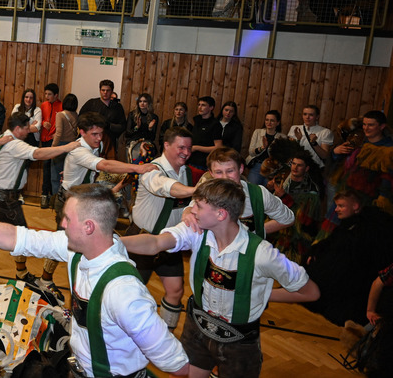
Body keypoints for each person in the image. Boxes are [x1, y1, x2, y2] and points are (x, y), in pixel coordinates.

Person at [0, 184, 190, 378]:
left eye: (67, 219)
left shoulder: (124, 293)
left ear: (88, 227)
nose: (62, 224)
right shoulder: (79, 250)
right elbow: (16, 237)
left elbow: (176, 364)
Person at [123, 179, 318, 378]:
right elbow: (155, 243)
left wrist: (265, 294)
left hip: (239, 342)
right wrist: (113, 241)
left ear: (220, 214)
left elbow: (310, 292)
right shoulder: (197, 233)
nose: (192, 211)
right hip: (197, 326)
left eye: (199, 206)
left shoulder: (263, 254)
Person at [39, 112, 157, 303]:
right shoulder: (78, 150)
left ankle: (80, 285)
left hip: (83, 201)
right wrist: (137, 167)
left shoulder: (96, 145)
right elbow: (105, 165)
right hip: (68, 203)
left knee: (81, 246)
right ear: (82, 132)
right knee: (65, 245)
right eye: (94, 134)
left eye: (101, 134)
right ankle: (47, 280)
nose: (99, 138)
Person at [0, 113, 81, 280]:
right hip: (6, 199)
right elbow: (38, 154)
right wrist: (66, 147)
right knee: (21, 236)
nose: (28, 131)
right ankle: (21, 273)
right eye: (26, 128)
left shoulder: (2, 137)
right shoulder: (15, 144)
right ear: (18, 128)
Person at [128, 126, 197, 329]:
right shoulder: (152, 169)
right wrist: (195, 190)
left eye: (189, 148)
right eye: (181, 147)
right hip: (142, 240)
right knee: (131, 294)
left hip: (169, 242)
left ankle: (166, 337)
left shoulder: (186, 172)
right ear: (166, 145)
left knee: (176, 291)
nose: (186, 152)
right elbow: (167, 187)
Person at [306, 190, 393, 326]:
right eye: (337, 206)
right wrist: (316, 252)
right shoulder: (347, 225)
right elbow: (332, 242)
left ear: (355, 206)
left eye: (341, 206)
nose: (336, 209)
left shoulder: (369, 228)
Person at [269, 153, 324, 264]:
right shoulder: (284, 181)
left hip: (296, 239)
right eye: (293, 164)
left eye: (299, 165)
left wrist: (284, 197)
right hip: (278, 231)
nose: (295, 167)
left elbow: (304, 220)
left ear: (306, 168)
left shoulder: (311, 191)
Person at [79, 79, 127, 160]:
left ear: (112, 91)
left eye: (108, 90)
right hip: (91, 142)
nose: (105, 92)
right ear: (100, 90)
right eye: (103, 90)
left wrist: (110, 126)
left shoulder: (117, 107)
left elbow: (122, 126)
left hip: (109, 143)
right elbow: (80, 119)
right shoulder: (91, 103)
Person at [245, 109, 285, 185]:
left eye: (272, 120)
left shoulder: (282, 137)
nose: (269, 122)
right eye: (267, 120)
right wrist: (263, 147)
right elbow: (251, 152)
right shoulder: (257, 132)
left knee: (268, 191)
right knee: (251, 188)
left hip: (272, 169)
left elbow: (282, 157)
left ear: (278, 123)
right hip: (257, 166)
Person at [288, 104, 333, 168]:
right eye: (305, 114)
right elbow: (289, 152)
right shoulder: (295, 128)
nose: (307, 117)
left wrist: (314, 143)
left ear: (317, 117)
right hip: (297, 167)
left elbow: (324, 156)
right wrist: (298, 140)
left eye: (311, 115)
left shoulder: (325, 132)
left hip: (315, 168)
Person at [51, 93, 79, 196]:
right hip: (72, 147)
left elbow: (58, 133)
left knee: (56, 176)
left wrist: (53, 148)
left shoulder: (60, 115)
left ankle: (56, 199)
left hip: (61, 145)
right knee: (68, 176)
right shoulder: (76, 115)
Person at [40, 83, 63, 206]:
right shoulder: (43, 105)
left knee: (54, 169)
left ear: (56, 95)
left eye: (49, 94)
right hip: (45, 140)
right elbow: (39, 119)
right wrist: (43, 123)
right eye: (45, 94)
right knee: (46, 167)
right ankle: (45, 194)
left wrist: (57, 134)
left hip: (55, 141)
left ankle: (54, 196)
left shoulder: (61, 106)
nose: (47, 96)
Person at [189, 95, 222, 171]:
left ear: (211, 108)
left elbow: (218, 147)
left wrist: (197, 148)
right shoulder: (197, 120)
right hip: (192, 160)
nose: (200, 107)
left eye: (203, 105)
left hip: (204, 163)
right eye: (199, 105)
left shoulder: (215, 124)